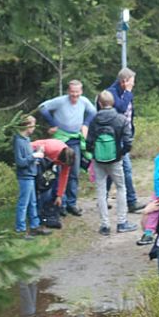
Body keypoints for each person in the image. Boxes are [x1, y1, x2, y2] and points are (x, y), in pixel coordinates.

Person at [39, 79, 96, 216]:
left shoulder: (84, 101)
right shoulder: (61, 101)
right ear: (68, 91)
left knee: (74, 172)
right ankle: (60, 203)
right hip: (60, 140)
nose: (74, 95)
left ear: (81, 91)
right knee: (58, 172)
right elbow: (42, 107)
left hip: (75, 139)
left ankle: (72, 203)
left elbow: (93, 112)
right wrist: (52, 124)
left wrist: (86, 124)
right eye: (72, 92)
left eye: (77, 92)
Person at [85, 90, 137, 235]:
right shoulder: (120, 119)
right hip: (115, 160)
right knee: (121, 188)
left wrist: (95, 153)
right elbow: (128, 141)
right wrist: (120, 153)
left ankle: (105, 226)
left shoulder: (94, 120)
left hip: (99, 160)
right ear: (112, 102)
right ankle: (122, 222)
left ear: (100, 104)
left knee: (101, 192)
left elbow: (88, 142)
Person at [104, 67, 143, 214]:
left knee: (111, 170)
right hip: (113, 138)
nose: (133, 85)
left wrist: (131, 131)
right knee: (125, 169)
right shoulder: (111, 93)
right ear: (124, 81)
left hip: (124, 134)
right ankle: (131, 201)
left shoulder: (127, 93)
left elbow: (130, 113)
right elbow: (120, 108)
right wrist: (127, 92)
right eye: (132, 82)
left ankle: (104, 197)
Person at [13, 116, 51, 239]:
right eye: (33, 125)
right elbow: (20, 162)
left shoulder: (26, 140)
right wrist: (34, 156)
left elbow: (28, 159)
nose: (34, 128)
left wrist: (36, 158)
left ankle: (35, 226)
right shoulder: (18, 141)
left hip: (31, 175)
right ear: (27, 126)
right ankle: (20, 229)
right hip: (24, 177)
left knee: (32, 203)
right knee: (23, 204)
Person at [30, 138, 76, 212]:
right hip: (34, 150)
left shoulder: (69, 158)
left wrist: (59, 195)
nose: (64, 166)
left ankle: (44, 208)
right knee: (40, 183)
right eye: (63, 164)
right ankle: (35, 210)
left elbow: (64, 176)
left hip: (49, 160)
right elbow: (39, 152)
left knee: (49, 181)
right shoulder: (51, 149)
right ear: (61, 159)